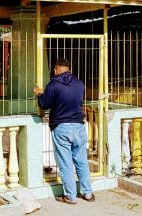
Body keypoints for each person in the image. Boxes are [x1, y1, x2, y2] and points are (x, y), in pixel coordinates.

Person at [34, 58, 94, 204]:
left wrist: (39, 94)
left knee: (65, 163)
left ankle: (70, 196)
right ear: (70, 70)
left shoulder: (53, 84)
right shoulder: (80, 84)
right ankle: (88, 193)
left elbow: (45, 104)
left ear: (55, 70)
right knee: (81, 161)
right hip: (79, 127)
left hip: (61, 128)